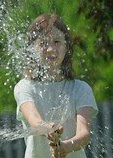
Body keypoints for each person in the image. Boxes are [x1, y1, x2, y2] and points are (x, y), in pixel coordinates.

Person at [14, 13, 98, 158]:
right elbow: (35, 120)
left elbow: (84, 134)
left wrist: (66, 147)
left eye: (57, 41)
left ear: (67, 46)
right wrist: (49, 128)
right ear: (32, 49)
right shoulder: (24, 87)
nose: (51, 49)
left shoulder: (81, 89)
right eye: (43, 43)